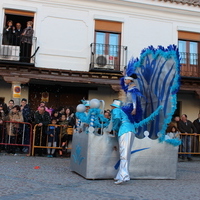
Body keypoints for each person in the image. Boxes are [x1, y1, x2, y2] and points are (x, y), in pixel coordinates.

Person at [110, 100, 135, 185]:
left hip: (124, 130)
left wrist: (114, 128)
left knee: (123, 153)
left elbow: (116, 119)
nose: (111, 108)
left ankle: (123, 176)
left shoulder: (116, 110)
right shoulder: (125, 112)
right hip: (131, 129)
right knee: (126, 154)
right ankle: (120, 175)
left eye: (112, 106)